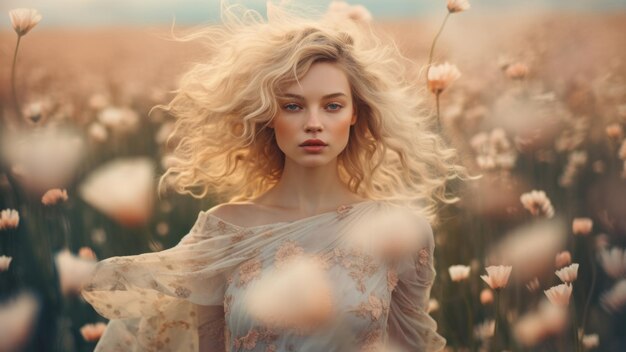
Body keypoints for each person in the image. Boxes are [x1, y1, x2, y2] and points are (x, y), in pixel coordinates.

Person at [81, 2, 465, 351]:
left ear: (355, 114)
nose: (313, 124)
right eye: (293, 106)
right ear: (269, 115)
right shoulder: (222, 231)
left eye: (332, 105)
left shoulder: (399, 231)